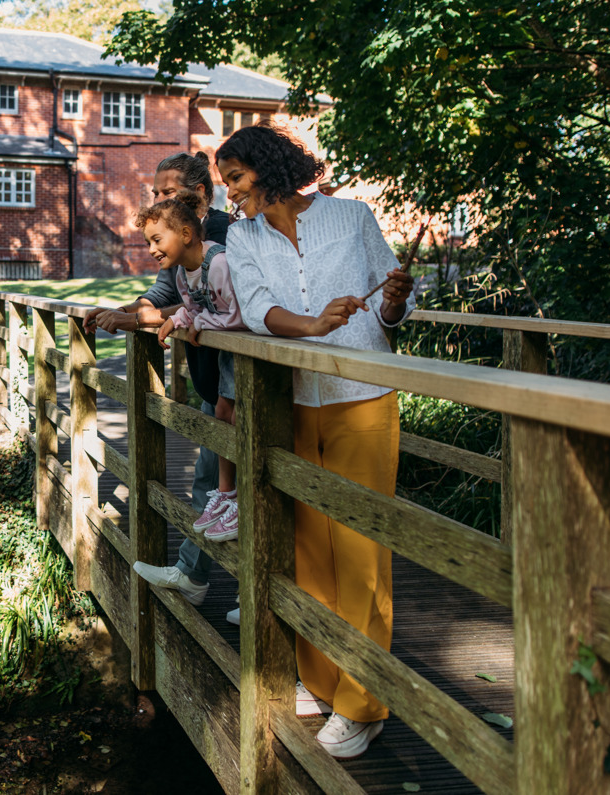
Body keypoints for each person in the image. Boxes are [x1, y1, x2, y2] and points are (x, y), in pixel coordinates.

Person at [216, 122, 414, 760]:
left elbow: (391, 304)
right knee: (310, 549)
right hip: (293, 398)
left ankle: (363, 703)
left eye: (237, 180)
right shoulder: (242, 236)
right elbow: (255, 307)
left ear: (269, 169)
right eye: (226, 185)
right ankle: (322, 681)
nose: (232, 196)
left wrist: (395, 301)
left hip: (364, 398)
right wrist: (313, 324)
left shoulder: (352, 217)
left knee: (359, 553)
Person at [82, 152, 233, 608]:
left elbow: (211, 302)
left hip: (237, 383)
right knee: (215, 481)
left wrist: (142, 320)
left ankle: (200, 576)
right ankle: (200, 576)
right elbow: (166, 295)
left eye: (168, 191)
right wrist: (121, 312)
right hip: (214, 382)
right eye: (156, 192)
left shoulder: (224, 234)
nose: (159, 199)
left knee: (226, 481)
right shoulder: (173, 231)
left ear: (201, 194)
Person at [148, 190, 246, 542]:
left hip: (246, 353)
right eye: (149, 242)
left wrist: (202, 324)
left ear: (186, 235)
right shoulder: (180, 274)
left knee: (234, 417)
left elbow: (239, 313)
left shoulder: (219, 264)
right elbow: (193, 305)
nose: (151, 249)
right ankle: (226, 493)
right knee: (222, 414)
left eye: (157, 239)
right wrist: (179, 320)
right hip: (227, 355)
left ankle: (238, 499)